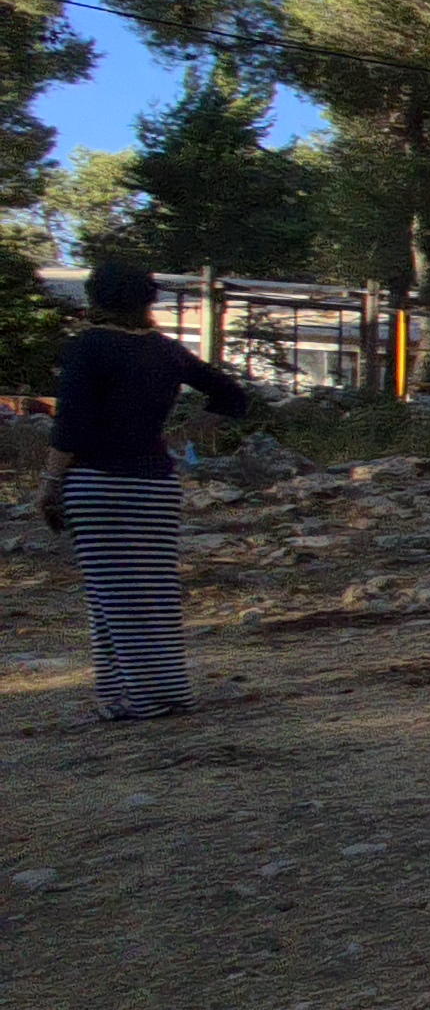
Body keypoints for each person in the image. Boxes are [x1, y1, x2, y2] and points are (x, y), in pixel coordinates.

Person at [37, 262, 251, 722]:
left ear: (95, 297)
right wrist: (183, 432)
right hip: (156, 486)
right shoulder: (166, 350)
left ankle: (141, 697)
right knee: (150, 594)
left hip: (97, 485)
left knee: (111, 596)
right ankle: (147, 693)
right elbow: (232, 396)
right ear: (148, 300)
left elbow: (69, 426)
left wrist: (51, 483)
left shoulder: (87, 347)